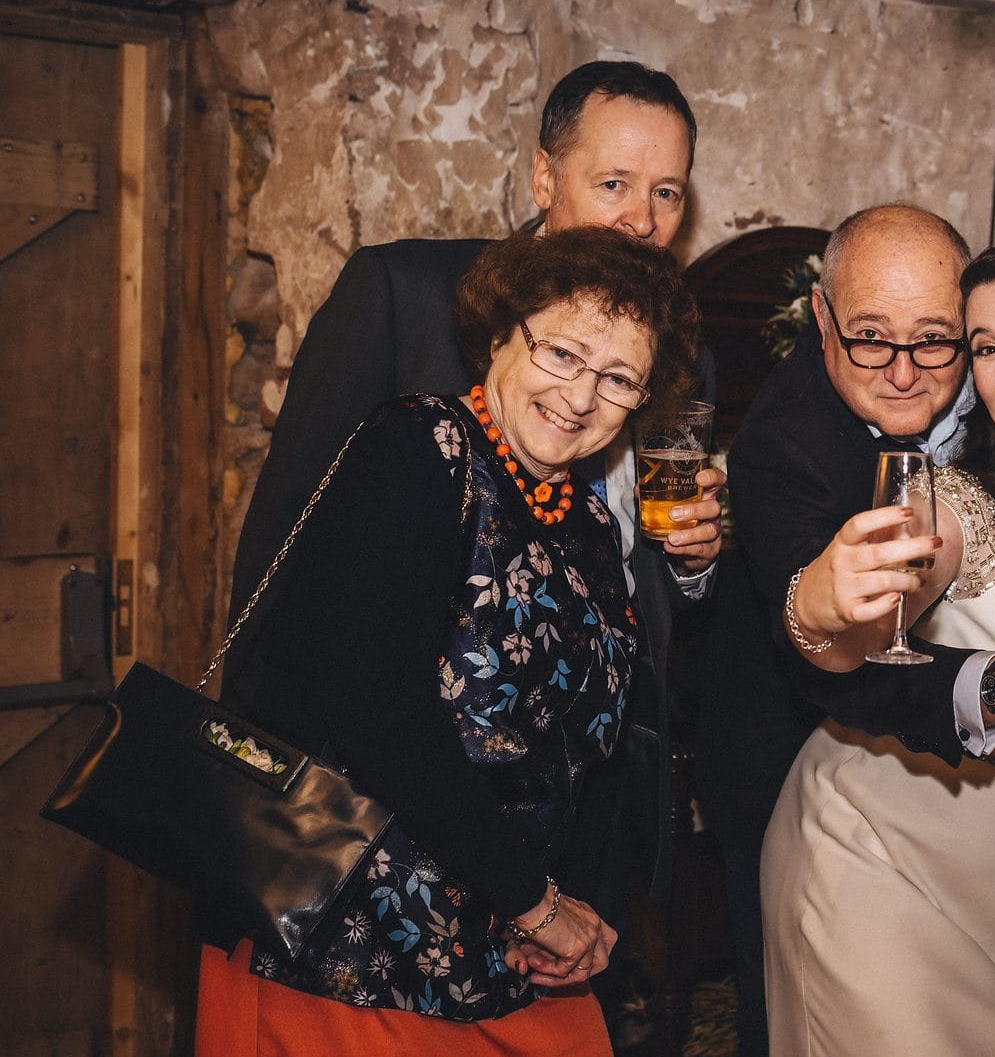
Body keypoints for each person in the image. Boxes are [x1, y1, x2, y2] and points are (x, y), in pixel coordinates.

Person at [191, 228, 702, 1057]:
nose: (581, 396)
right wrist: (535, 901)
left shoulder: (579, 514)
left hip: (514, 957)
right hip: (353, 949)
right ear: (502, 334)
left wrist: (576, 907)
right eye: (563, 351)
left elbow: (600, 739)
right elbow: (377, 710)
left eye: (619, 378)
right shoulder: (415, 452)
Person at [222, 60, 723, 931]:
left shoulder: (682, 352)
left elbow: (644, 583)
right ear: (543, 177)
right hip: (377, 823)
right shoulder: (406, 297)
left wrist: (694, 562)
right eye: (614, 183)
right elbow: (288, 534)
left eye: (668, 193)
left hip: (580, 809)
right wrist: (258, 781)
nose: (643, 220)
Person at [692, 207, 995, 1057]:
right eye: (869, 341)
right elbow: (832, 667)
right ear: (823, 319)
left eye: (935, 343)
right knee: (799, 1044)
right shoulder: (783, 446)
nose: (904, 372)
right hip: (797, 769)